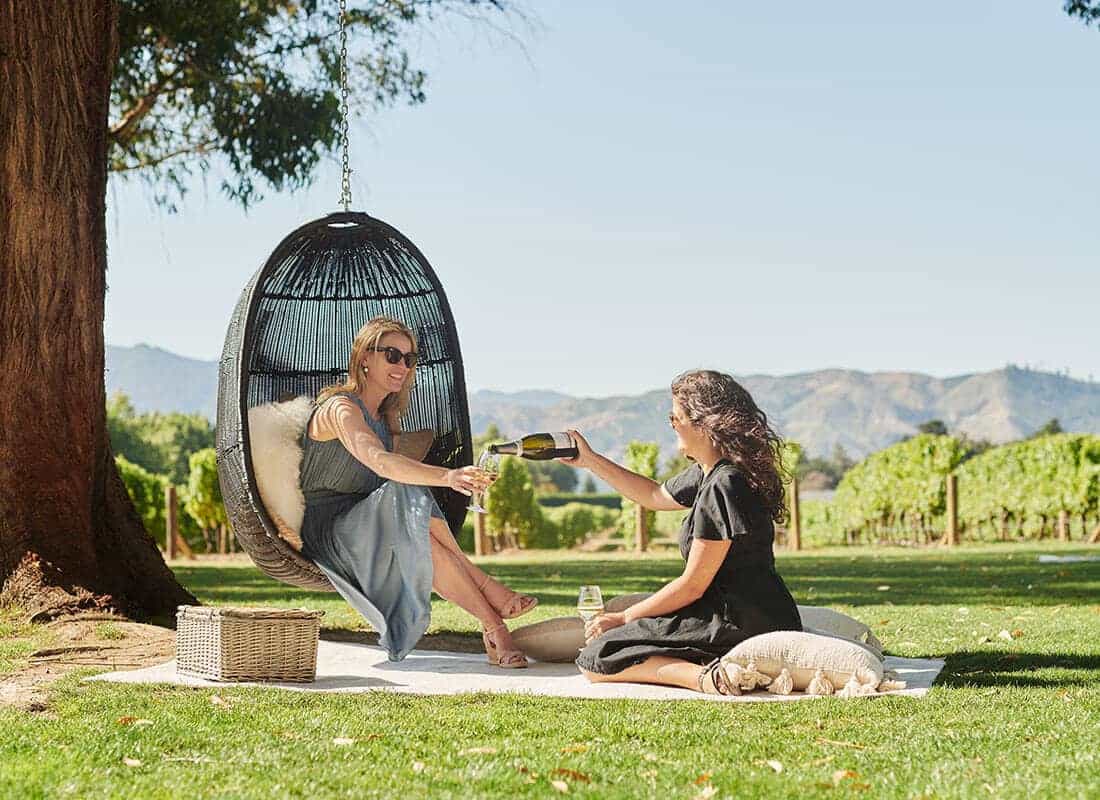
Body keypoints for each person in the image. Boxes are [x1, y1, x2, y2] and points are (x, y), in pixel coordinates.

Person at [298, 316, 536, 667]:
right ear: (365, 357)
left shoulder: (385, 417)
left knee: (416, 524)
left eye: (409, 359)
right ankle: (485, 587)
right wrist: (450, 476)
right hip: (328, 526)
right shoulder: (340, 407)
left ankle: (494, 628)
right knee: (403, 490)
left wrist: (438, 449)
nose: (402, 366)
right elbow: (378, 461)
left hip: (370, 517)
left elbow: (397, 462)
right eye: (392, 355)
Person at [560, 369, 801, 694]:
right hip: (761, 612)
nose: (672, 424)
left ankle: (705, 678)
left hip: (735, 621)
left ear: (704, 424)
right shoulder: (713, 472)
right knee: (626, 634)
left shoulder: (723, 484)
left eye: (676, 418)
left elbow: (692, 586)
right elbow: (654, 496)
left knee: (598, 657)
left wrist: (624, 618)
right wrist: (590, 461)